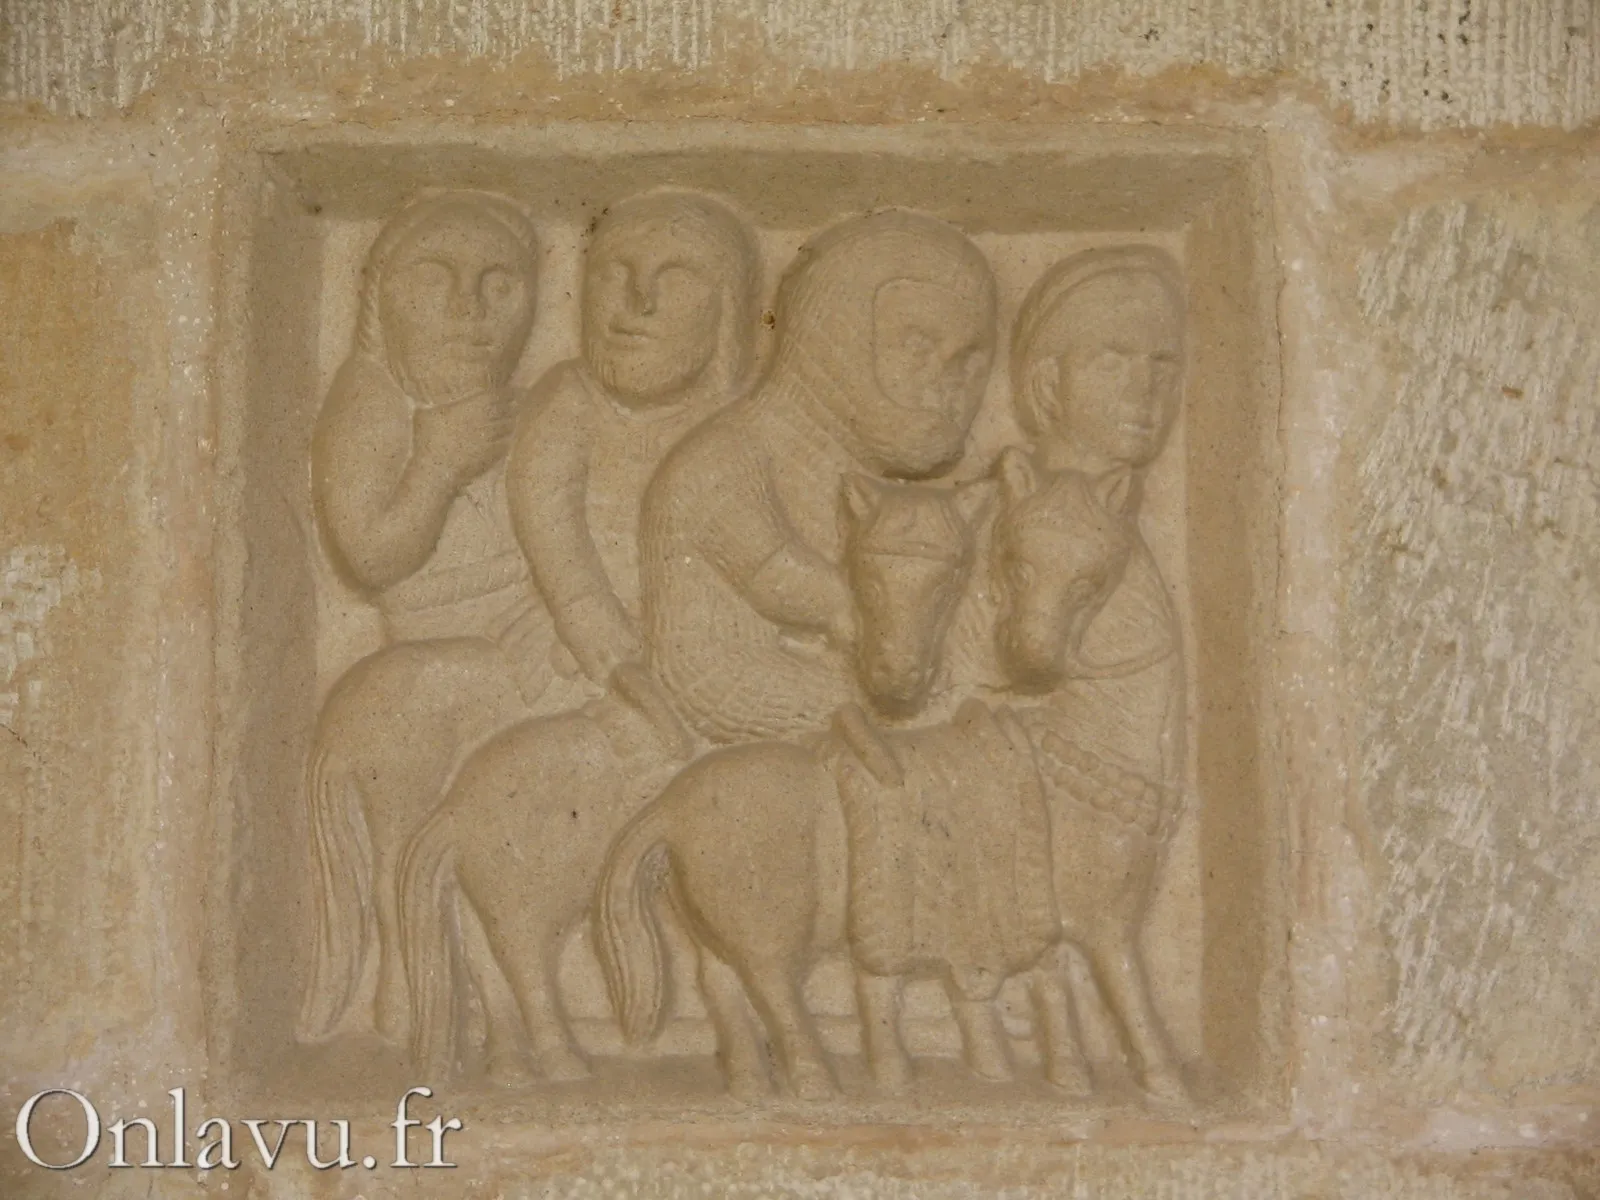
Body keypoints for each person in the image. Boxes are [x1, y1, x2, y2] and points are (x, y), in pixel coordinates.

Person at [300, 191, 560, 1044]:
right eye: (435, 280)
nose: (469, 310)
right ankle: (412, 1004)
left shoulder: (529, 403)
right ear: (381, 296)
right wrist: (439, 463)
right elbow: (369, 554)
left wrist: (559, 608)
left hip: (529, 635)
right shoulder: (371, 400)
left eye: (500, 285)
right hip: (447, 650)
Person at [639, 209, 998, 744]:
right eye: (917, 346)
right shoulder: (724, 462)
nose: (945, 382)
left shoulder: (890, 497)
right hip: (737, 702)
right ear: (833, 334)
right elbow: (781, 585)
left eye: (968, 359)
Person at [508, 190, 761, 687]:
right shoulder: (570, 398)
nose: (640, 300)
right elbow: (546, 513)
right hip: (585, 639)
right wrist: (587, 617)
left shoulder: (739, 425)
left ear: (728, 308)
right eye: (614, 273)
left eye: (676, 277)